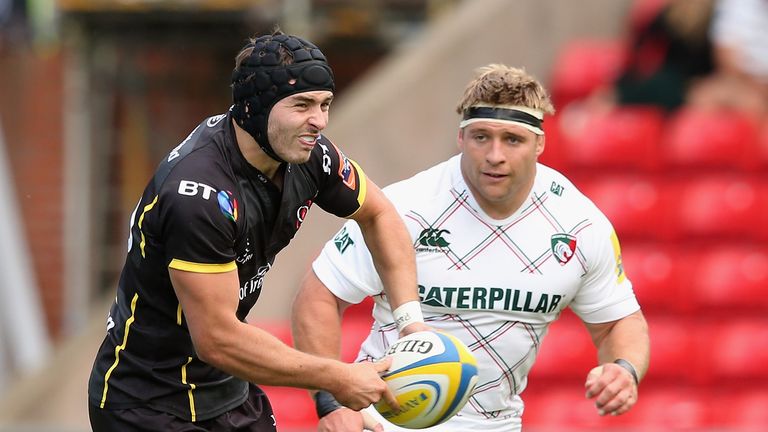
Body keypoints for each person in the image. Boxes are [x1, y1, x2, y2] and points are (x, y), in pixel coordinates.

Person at [87, 30, 427, 431]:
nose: (318, 121)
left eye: (325, 104)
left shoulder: (310, 156)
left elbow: (379, 215)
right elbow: (217, 338)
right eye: (302, 105)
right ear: (254, 109)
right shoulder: (199, 193)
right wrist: (335, 380)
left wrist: (411, 322)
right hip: (147, 402)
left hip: (228, 391)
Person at [292, 64, 650, 432]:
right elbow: (318, 296)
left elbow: (619, 323)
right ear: (461, 138)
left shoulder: (579, 223)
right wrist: (331, 399)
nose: (495, 155)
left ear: (540, 143)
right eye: (481, 137)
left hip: (497, 426)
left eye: (513, 140)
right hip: (385, 421)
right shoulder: (403, 208)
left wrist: (624, 368)